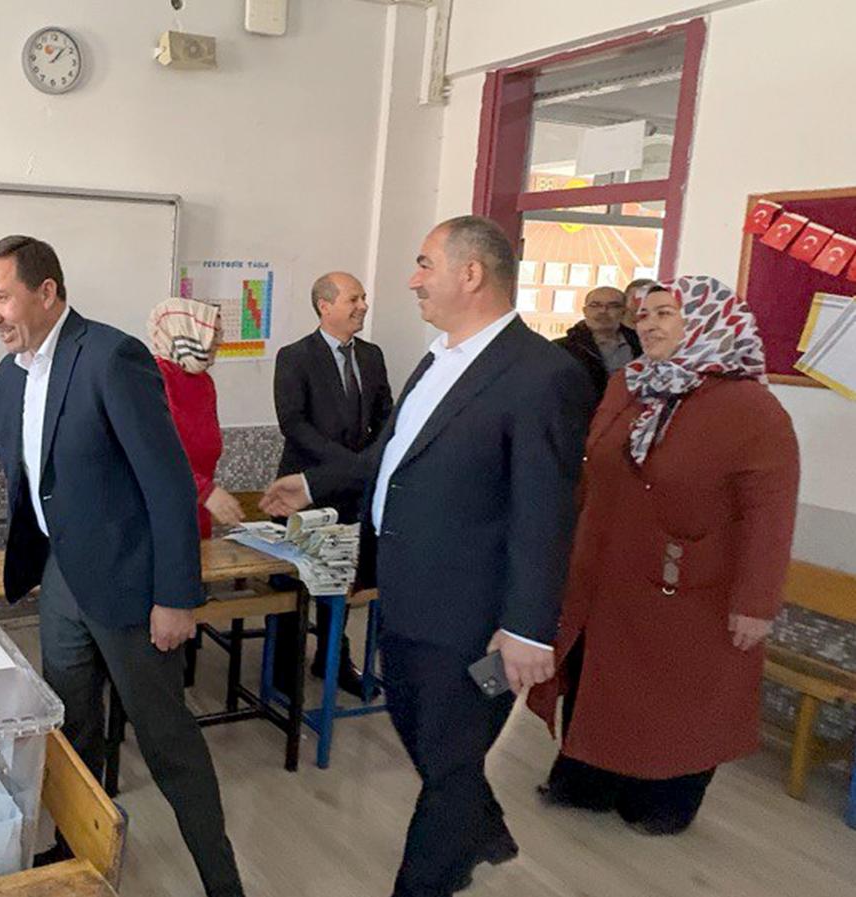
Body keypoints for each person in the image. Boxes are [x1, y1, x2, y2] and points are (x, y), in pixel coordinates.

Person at [0, 236, 245, 897]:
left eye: (1, 298)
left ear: (47, 292)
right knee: (69, 730)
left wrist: (177, 596)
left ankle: (223, 883)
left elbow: (169, 482)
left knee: (167, 743)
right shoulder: (13, 375)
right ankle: (74, 857)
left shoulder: (111, 358)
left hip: (130, 585)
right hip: (62, 579)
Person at [262, 216, 594, 897]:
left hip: (478, 618)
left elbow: (546, 509)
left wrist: (529, 627)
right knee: (422, 732)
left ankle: (431, 875)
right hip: (405, 597)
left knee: (449, 762)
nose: (412, 280)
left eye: (424, 264)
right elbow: (393, 456)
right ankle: (485, 830)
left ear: (470, 274)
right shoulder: (439, 357)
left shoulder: (542, 374)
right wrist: (314, 483)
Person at [528, 277, 799, 835]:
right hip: (606, 579)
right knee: (600, 682)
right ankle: (588, 782)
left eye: (665, 313)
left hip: (689, 590)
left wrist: (756, 602)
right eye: (644, 314)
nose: (648, 324)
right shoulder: (629, 385)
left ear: (707, 322)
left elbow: (770, 516)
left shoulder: (752, 408)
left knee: (674, 697)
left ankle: (662, 800)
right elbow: (592, 471)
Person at [271, 272, 393, 696]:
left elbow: (386, 415)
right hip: (306, 489)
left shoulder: (372, 356)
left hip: (353, 494)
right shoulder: (295, 356)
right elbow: (293, 424)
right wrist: (350, 464)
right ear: (325, 306)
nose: (363, 306)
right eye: (353, 299)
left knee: (339, 581)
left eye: (363, 298)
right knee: (296, 580)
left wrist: (368, 462)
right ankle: (283, 667)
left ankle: (333, 659)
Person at [147, 297, 243, 538]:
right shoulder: (153, 378)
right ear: (185, 332)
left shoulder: (204, 382)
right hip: (161, 511)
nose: (220, 342)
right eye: (213, 333)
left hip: (197, 509)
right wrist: (205, 490)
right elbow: (155, 455)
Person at [555, 285, 643, 400]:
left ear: (623, 312)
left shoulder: (642, 345)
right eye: (595, 305)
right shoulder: (561, 349)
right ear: (585, 311)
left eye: (613, 306)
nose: (603, 311)